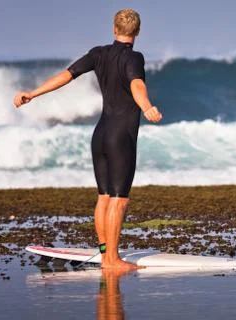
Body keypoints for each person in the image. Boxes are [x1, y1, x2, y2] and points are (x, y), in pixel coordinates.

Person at [13, 8, 162, 270]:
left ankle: (106, 253)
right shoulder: (134, 57)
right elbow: (136, 83)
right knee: (119, 199)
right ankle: (113, 261)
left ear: (114, 29)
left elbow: (67, 75)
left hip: (100, 134)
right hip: (120, 136)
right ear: (137, 32)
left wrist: (33, 93)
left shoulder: (98, 53)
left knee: (103, 197)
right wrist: (147, 106)